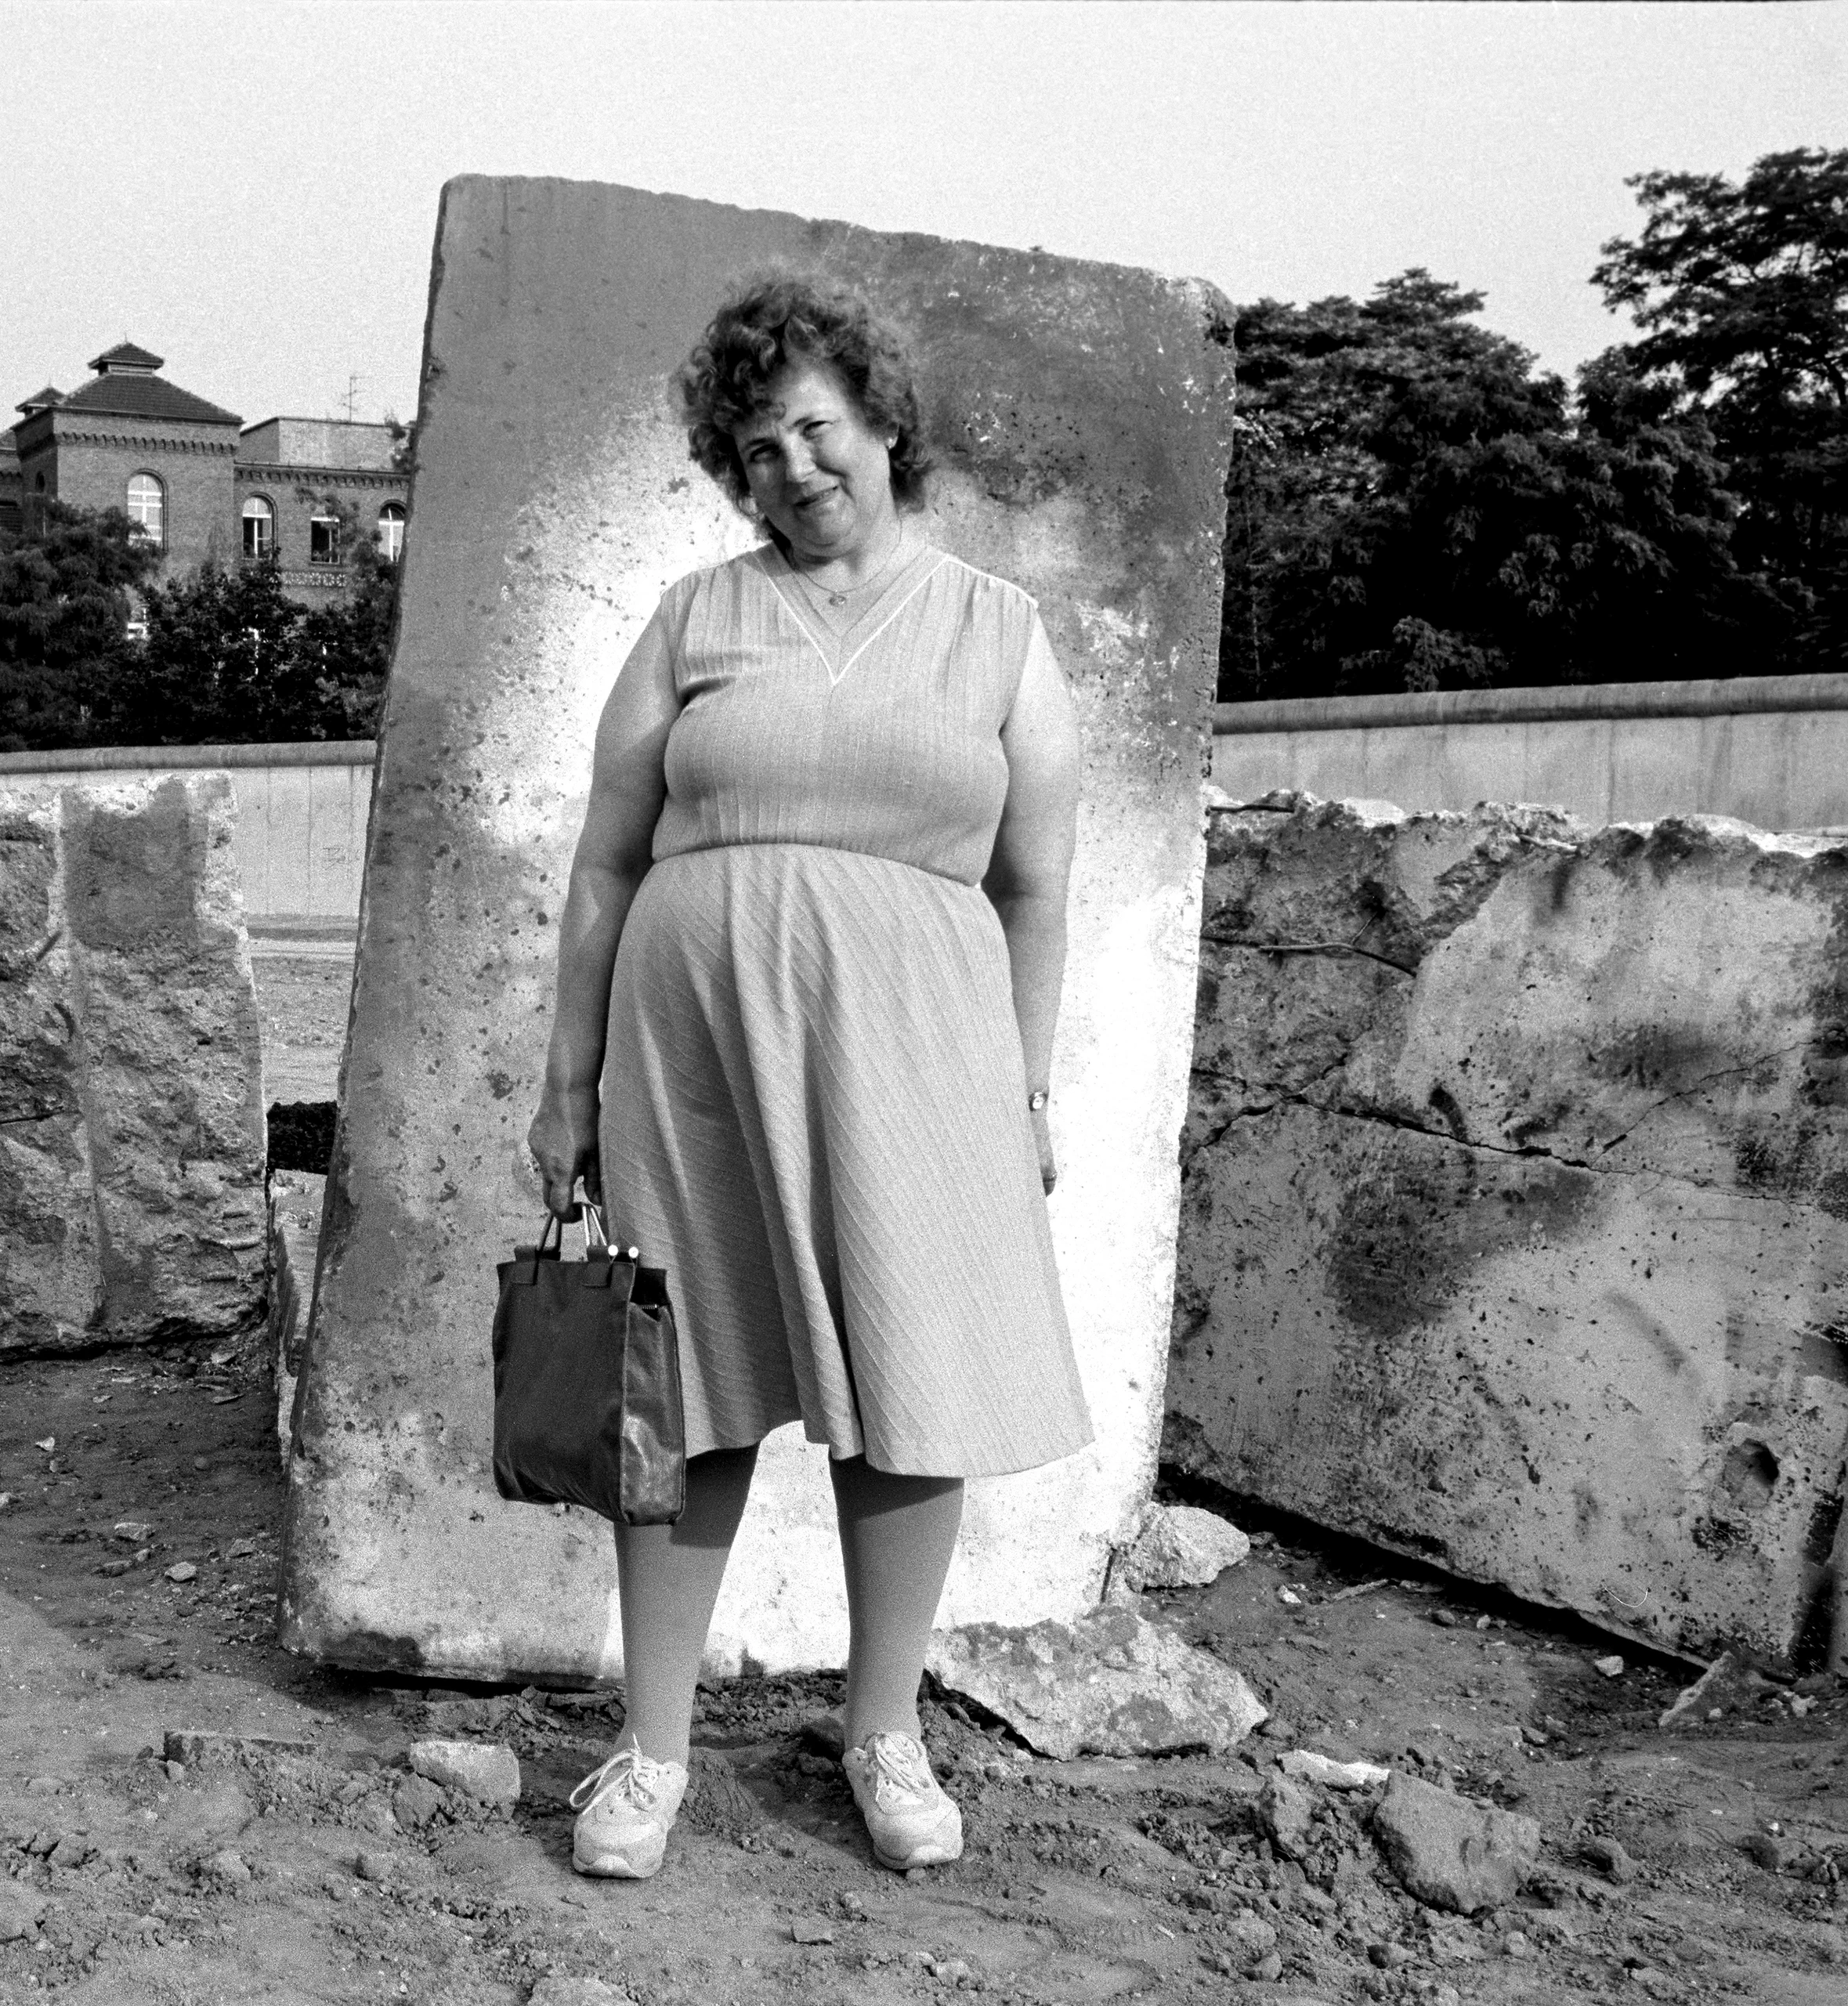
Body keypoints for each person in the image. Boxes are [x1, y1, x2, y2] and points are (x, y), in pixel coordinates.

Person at [529, 275, 1090, 1880]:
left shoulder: (998, 628)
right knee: (680, 1384)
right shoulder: (694, 620)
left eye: (819, 429)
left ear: (885, 425)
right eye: (756, 445)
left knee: (912, 1385)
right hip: (694, 1053)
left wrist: (1028, 1084)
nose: (793, 465)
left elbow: (1038, 883)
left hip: (919, 1051)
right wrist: (562, 1081)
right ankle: (647, 1751)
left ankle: (883, 1726)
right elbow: (604, 860)